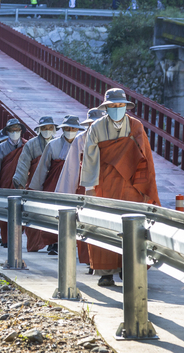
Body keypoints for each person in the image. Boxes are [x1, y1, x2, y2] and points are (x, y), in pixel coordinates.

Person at [80, 89, 160, 287]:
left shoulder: (136, 126)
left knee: (132, 227)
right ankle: (105, 272)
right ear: (106, 108)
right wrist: (90, 187)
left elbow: (146, 158)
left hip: (132, 185)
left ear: (126, 107)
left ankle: (129, 267)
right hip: (105, 183)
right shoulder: (97, 127)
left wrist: (146, 187)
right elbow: (89, 157)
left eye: (120, 106)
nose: (117, 109)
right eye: (113, 106)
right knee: (105, 225)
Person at [54, 108, 105, 268]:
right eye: (90, 124)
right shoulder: (80, 140)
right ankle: (90, 262)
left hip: (106, 186)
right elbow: (71, 169)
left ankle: (105, 264)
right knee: (85, 226)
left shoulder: (110, 138)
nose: (93, 127)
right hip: (85, 187)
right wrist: (66, 194)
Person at [29, 116, 87, 255]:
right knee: (55, 213)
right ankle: (54, 243)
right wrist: (37, 187)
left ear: (78, 129)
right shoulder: (53, 145)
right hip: (55, 183)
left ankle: (74, 242)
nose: (70, 131)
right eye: (67, 128)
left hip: (76, 183)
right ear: (62, 129)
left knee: (75, 214)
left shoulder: (83, 143)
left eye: (73, 128)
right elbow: (43, 167)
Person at [11, 116, 57, 252]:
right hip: (35, 184)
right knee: (33, 214)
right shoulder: (31, 144)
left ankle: (53, 244)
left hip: (52, 183)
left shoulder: (57, 143)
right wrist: (20, 182)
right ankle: (34, 244)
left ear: (53, 129)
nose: (47, 130)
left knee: (53, 214)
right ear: (39, 129)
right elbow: (24, 164)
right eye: (44, 128)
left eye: (49, 128)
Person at [0, 119, 27, 247]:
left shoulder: (26, 146)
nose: (14, 132)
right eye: (12, 130)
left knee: (20, 213)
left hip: (21, 184)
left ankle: (15, 239)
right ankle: (5, 240)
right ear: (7, 132)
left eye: (17, 130)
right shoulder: (1, 147)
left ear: (21, 131)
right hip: (5, 183)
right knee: (5, 212)